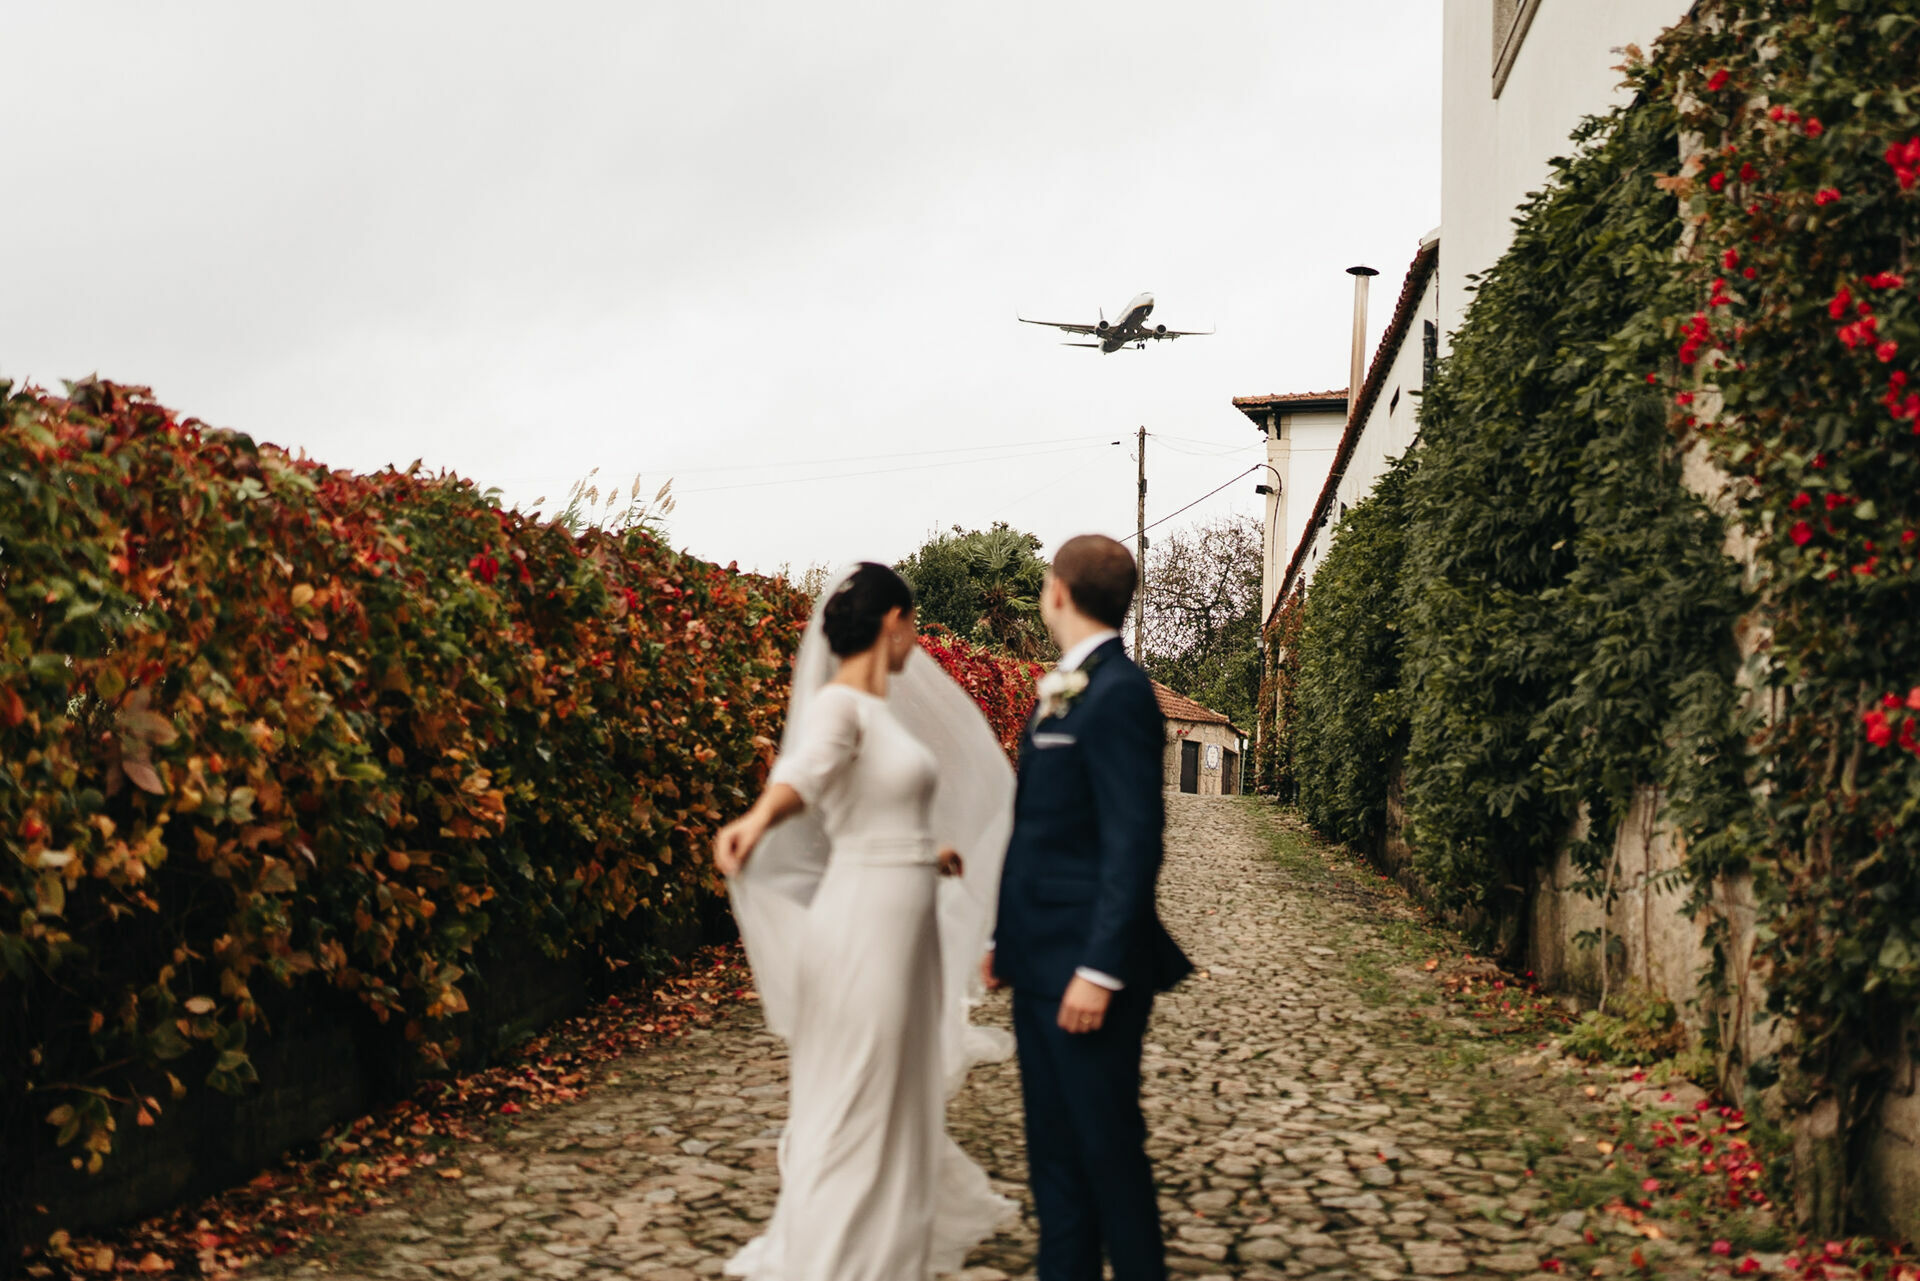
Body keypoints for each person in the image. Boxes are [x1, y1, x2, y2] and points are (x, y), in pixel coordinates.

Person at [714, 562, 1016, 1281]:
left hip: (904, 921)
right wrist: (756, 820)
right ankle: (837, 1258)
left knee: (900, 1091)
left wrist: (927, 851)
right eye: (914, 624)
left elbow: (868, 807)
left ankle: (889, 1251)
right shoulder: (839, 705)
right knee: (860, 1090)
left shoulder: (877, 711)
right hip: (864, 929)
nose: (918, 640)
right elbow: (805, 774)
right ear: (892, 623)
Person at [985, 534, 1192, 1281]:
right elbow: (1038, 828)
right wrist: (1003, 936)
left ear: (1058, 593)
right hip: (1038, 961)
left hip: (1087, 971)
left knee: (1107, 1156)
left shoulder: (1120, 692)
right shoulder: (1066, 687)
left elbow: (1133, 842)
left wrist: (1100, 969)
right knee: (1054, 1161)